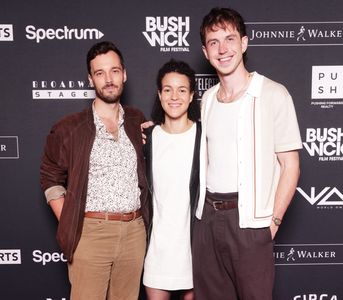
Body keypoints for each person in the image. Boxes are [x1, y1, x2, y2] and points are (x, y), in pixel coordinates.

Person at [192, 7, 303, 300]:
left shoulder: (274, 94)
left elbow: (290, 165)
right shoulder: (207, 101)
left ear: (244, 43)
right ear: (205, 52)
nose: (223, 49)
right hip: (207, 221)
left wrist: (272, 223)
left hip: (251, 224)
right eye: (213, 42)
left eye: (230, 39)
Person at [40, 41, 149, 300]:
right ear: (91, 79)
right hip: (91, 232)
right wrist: (72, 221)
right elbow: (50, 176)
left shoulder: (135, 120)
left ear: (124, 74)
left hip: (134, 232)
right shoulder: (70, 127)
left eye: (114, 71)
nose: (108, 79)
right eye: (100, 73)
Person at [143, 59, 201, 300]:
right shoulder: (146, 138)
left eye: (182, 90)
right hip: (157, 251)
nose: (174, 96)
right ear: (159, 94)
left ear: (191, 96)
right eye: (167, 89)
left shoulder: (205, 135)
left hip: (194, 252)